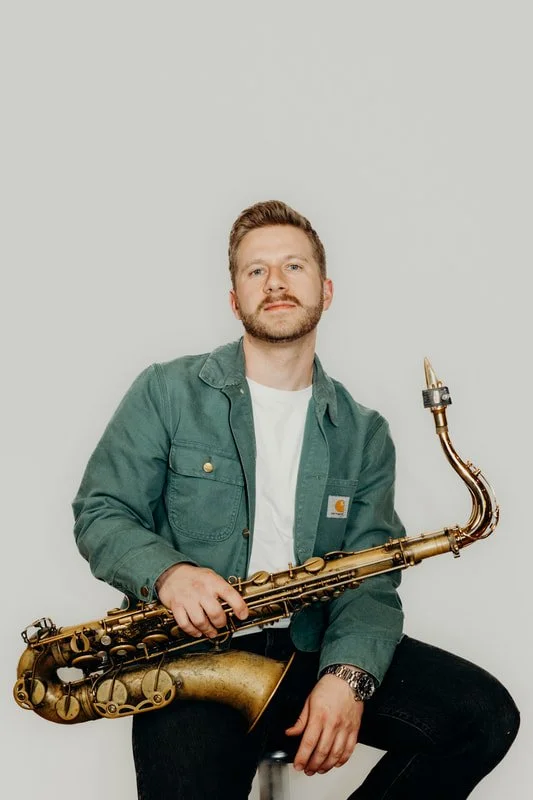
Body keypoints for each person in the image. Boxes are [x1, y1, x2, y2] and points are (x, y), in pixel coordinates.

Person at [73, 200, 519, 799]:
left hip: (314, 643)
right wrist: (172, 575)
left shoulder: (364, 433)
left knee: (482, 717)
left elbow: (372, 576)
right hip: (193, 656)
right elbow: (102, 509)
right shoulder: (166, 391)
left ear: (326, 290)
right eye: (256, 271)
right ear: (235, 298)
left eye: (293, 267)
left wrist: (347, 677)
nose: (276, 282)